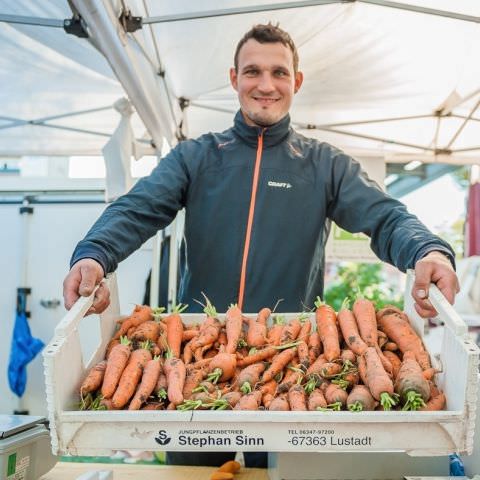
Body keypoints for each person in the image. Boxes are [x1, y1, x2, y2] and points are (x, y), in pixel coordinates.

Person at [63, 23, 459, 467]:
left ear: (297, 81)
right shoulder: (196, 157)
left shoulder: (324, 165)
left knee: (276, 473)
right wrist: (94, 253)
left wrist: (428, 251)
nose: (266, 85)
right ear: (234, 78)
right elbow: (136, 209)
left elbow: (386, 217)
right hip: (198, 360)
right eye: (253, 72)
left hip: (291, 368)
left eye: (279, 73)